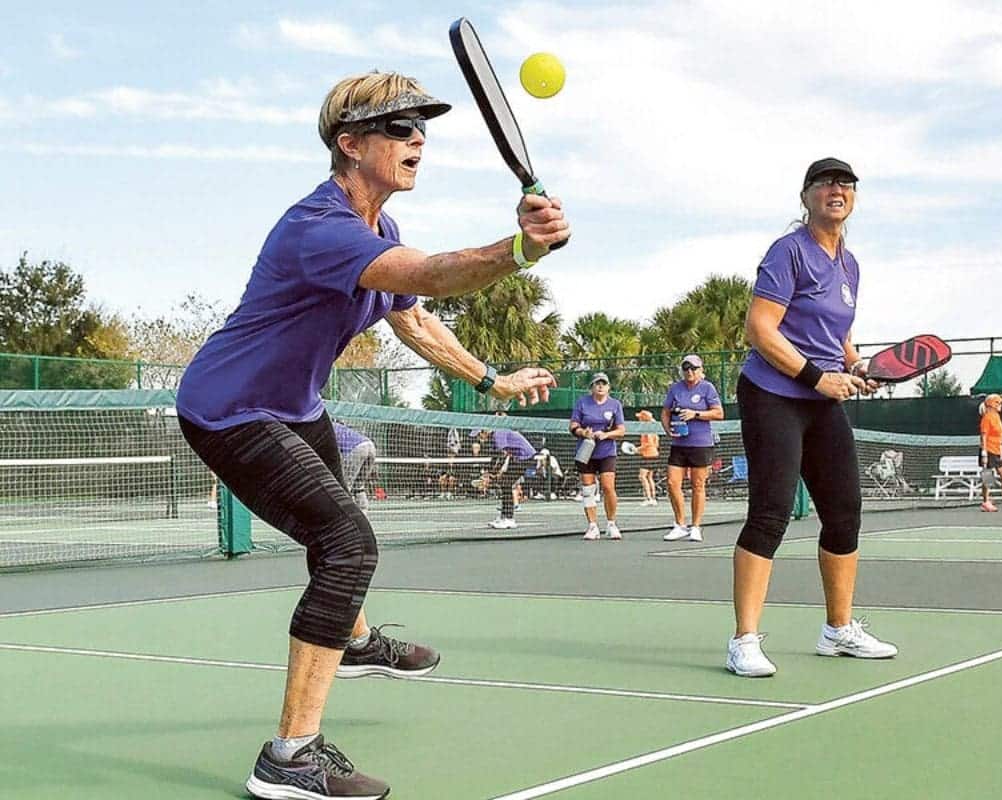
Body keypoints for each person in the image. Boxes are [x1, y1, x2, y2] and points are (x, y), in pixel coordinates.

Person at [174, 71, 568, 800]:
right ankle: (289, 759)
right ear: (350, 145)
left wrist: (493, 382)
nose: (417, 138)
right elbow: (432, 275)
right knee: (348, 546)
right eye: (399, 127)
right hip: (229, 410)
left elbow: (413, 315)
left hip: (293, 406)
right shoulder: (319, 228)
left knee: (339, 539)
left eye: (422, 128)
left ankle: (353, 643)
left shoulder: (378, 228)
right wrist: (519, 249)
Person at [728, 157, 897, 679]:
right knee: (771, 513)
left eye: (845, 184)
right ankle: (744, 641)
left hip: (822, 400)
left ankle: (838, 630)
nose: (837, 190)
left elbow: (837, 335)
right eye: (825, 183)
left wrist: (853, 366)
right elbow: (761, 328)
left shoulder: (849, 263)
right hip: (773, 394)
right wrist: (816, 377)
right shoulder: (788, 252)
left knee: (845, 512)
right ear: (806, 197)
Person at [661, 355, 724, 541]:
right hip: (679, 444)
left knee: (698, 485)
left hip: (701, 444)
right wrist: (667, 429)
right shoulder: (675, 389)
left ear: (700, 369)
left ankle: (696, 527)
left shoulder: (707, 388)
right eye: (686, 368)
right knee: (672, 483)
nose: (690, 372)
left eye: (694, 368)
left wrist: (695, 414)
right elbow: (665, 411)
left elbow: (719, 413)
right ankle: (680, 524)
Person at [569, 372, 626, 540]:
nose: (600, 386)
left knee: (608, 487)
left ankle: (611, 524)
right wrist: (582, 432)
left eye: (604, 383)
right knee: (588, 489)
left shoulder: (615, 405)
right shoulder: (582, 403)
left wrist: (606, 435)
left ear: (609, 387)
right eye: (597, 383)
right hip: (586, 452)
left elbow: (621, 430)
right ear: (592, 387)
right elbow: (573, 425)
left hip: (607, 452)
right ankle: (592, 526)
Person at [475, 427, 536, 529]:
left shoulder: (498, 434)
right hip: (517, 458)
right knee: (504, 484)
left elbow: (502, 455)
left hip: (525, 458)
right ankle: (504, 517)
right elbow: (495, 457)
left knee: (505, 484)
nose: (478, 438)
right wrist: (490, 473)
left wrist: (493, 473)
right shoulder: (494, 438)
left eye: (478, 435)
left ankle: (509, 519)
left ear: (484, 432)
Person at [333, 422, 376, 510]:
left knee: (345, 487)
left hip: (356, 449)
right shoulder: (341, 427)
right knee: (359, 486)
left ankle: (346, 514)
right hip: (370, 445)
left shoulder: (326, 428)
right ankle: (364, 513)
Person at [634, 410, 661, 506]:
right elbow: (656, 444)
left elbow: (648, 443)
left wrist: (637, 449)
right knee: (649, 477)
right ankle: (653, 498)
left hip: (648, 456)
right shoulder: (653, 429)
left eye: (640, 417)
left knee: (642, 476)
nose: (639, 419)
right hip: (654, 455)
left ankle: (649, 498)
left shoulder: (647, 429)